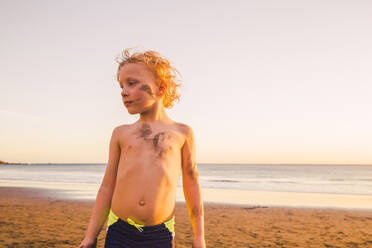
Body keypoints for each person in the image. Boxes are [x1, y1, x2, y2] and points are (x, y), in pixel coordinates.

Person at [78, 49, 206, 248]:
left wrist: (199, 236)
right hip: (119, 230)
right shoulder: (121, 134)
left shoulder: (182, 133)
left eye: (131, 83)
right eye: (121, 85)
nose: (123, 91)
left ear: (161, 88)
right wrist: (90, 236)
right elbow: (107, 186)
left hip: (160, 234)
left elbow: (192, 183)